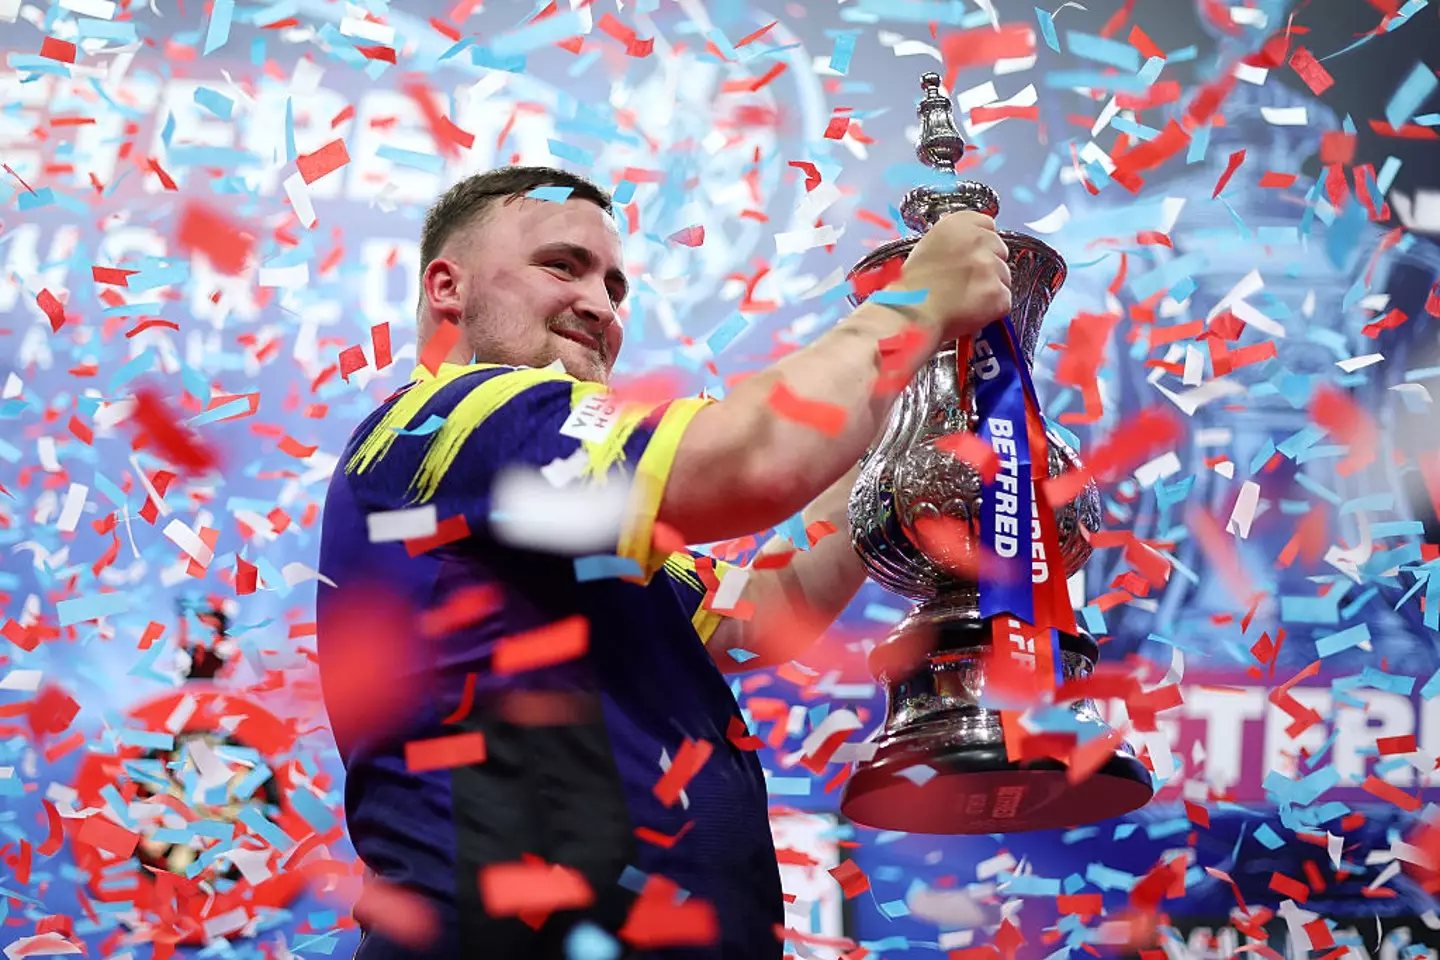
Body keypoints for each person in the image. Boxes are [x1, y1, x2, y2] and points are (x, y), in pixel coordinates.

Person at [315, 164, 1013, 958]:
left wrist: (908, 440)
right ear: (448, 288)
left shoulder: (540, 501)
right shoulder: (462, 416)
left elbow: (766, 612)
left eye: (614, 286)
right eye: (562, 266)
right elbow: (751, 460)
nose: (599, 305)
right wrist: (917, 302)